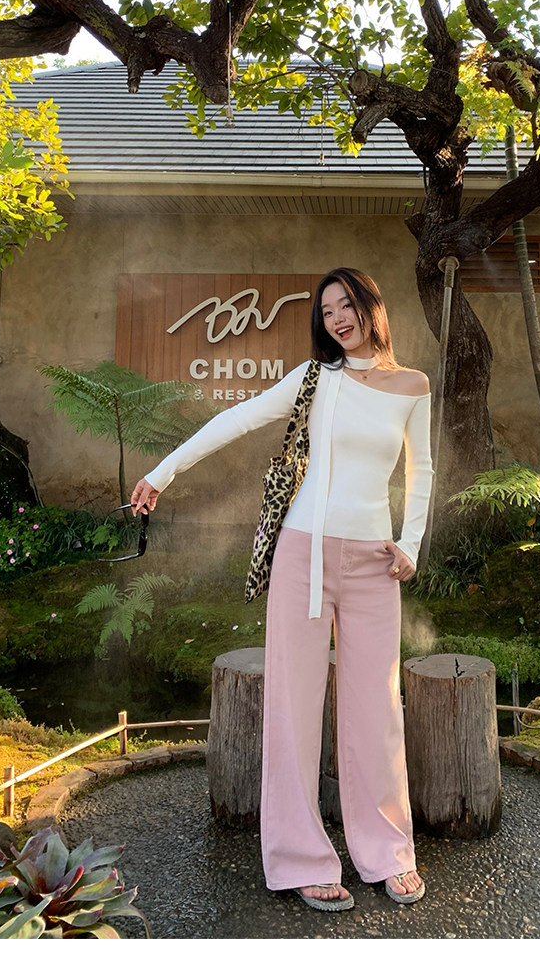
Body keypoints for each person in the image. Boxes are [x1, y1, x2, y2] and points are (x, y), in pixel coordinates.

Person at [131, 267, 433, 911]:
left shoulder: (412, 386)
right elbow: (236, 419)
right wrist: (161, 473)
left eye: (346, 304)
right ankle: (301, 857)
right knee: (294, 705)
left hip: (375, 563)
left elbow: (423, 469)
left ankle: (387, 851)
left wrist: (410, 544)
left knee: (377, 708)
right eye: (327, 311)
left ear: (371, 306)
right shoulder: (314, 379)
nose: (337, 318)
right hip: (304, 553)